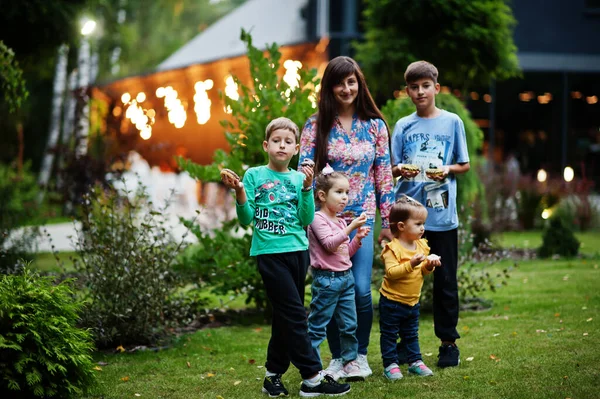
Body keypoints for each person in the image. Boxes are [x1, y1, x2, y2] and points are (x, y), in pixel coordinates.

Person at [220, 117, 350, 397]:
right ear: (266, 145)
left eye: (288, 142)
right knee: (294, 314)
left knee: (284, 316)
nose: (282, 145)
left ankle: (272, 375)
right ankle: (312, 377)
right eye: (276, 141)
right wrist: (240, 192)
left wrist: (305, 188)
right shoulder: (254, 175)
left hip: (298, 253)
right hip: (269, 254)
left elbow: (306, 218)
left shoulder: (298, 179)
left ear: (296, 149)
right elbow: (246, 219)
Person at [299, 56, 395, 377]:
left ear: (359, 83)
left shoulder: (375, 126)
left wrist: (389, 223)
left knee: (359, 290)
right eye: (339, 82)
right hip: (326, 222)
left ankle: (360, 356)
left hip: (361, 222)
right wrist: (304, 210)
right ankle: (339, 358)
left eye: (351, 81)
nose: (346, 88)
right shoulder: (315, 126)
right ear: (329, 87)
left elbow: (384, 176)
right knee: (329, 289)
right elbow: (305, 171)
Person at [391, 60, 470, 368]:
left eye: (426, 86)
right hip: (408, 220)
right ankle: (403, 343)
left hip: (442, 216)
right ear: (407, 91)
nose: (420, 91)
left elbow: (463, 164)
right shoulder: (402, 126)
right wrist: (401, 169)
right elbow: (391, 169)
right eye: (414, 87)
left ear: (436, 88)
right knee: (405, 280)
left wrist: (446, 170)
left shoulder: (452, 122)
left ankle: (448, 344)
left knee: (446, 281)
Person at [307, 164, 371, 381]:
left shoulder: (341, 220)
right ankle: (312, 368)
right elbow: (330, 245)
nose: (345, 198)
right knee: (318, 326)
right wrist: (351, 227)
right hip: (327, 281)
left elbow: (345, 252)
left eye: (347, 193)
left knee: (349, 325)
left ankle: (349, 363)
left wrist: (358, 240)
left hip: (346, 279)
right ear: (322, 195)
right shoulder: (317, 219)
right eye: (339, 192)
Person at [379, 196, 441, 380]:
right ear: (401, 226)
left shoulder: (421, 245)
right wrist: (412, 263)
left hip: (412, 301)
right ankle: (390, 364)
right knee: (389, 335)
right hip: (392, 302)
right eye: (418, 223)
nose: (423, 228)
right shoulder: (393, 248)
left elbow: (422, 272)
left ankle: (415, 362)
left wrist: (429, 266)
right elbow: (391, 273)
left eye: (423, 223)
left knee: (411, 334)